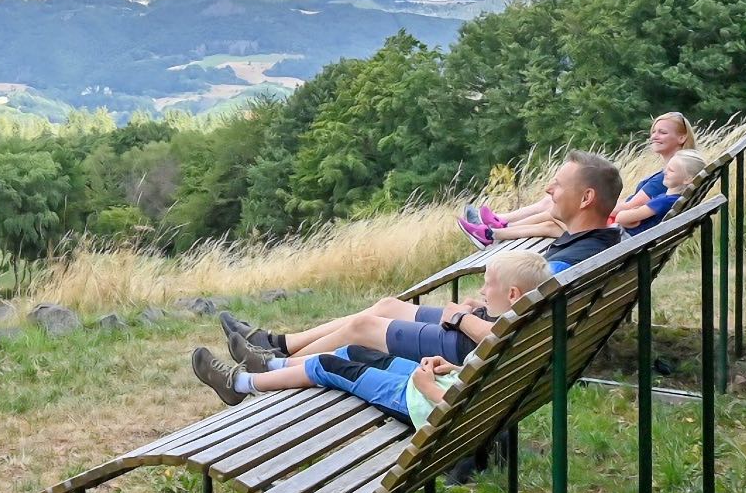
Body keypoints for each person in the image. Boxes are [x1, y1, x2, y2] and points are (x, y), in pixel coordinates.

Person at [222, 152, 624, 364]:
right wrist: (480, 305)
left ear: (586, 198)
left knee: (365, 325)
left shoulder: (574, 260)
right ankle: (280, 344)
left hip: (483, 348)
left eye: (559, 183)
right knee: (386, 305)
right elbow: (524, 306)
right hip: (491, 337)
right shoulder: (593, 241)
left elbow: (518, 322)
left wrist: (467, 315)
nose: (549, 188)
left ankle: (268, 364)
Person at [193, 249, 555, 413]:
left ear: (511, 295)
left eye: (487, 286)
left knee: (331, 364)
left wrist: (432, 380)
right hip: (436, 381)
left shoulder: (504, 334)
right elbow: (482, 377)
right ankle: (270, 363)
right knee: (350, 351)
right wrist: (453, 369)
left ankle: (241, 384)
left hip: (416, 398)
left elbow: (460, 405)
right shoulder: (520, 333)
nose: (480, 292)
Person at [458, 112, 693, 249]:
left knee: (562, 208)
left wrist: (602, 205)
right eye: (654, 131)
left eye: (662, 132)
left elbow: (631, 210)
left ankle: (496, 229)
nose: (655, 136)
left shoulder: (668, 177)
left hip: (619, 234)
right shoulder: (675, 172)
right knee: (558, 205)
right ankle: (498, 226)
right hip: (627, 235)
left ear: (682, 137)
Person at [616, 147, 704, 236]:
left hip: (627, 239)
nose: (665, 172)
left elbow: (621, 218)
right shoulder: (674, 200)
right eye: (666, 168)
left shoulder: (664, 202)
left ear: (687, 179)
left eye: (671, 170)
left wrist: (628, 214)